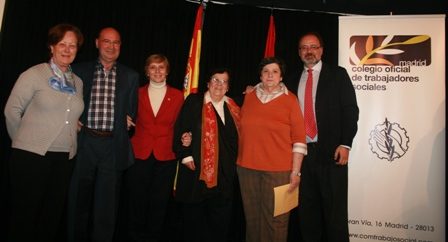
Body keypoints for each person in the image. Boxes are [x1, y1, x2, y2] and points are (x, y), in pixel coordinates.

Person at [4, 23, 84, 242]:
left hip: (64, 159)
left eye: (73, 45)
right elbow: (11, 111)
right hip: (31, 157)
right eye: (62, 44)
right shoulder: (34, 74)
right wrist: (23, 142)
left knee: (51, 218)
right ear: (52, 46)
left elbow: (70, 113)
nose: (67, 49)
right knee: (25, 218)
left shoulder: (78, 82)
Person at [284, 31, 359, 242]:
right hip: (302, 157)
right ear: (299, 53)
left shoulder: (338, 74)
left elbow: (350, 110)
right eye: (304, 48)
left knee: (334, 216)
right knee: (307, 215)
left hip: (332, 154)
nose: (309, 51)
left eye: (313, 47)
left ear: (322, 50)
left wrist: (346, 144)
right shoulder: (290, 81)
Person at [68, 27, 139, 242]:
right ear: (97, 43)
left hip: (112, 145)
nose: (111, 46)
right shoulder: (78, 71)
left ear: (120, 47)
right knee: (77, 200)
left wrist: (127, 121)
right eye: (106, 41)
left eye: (116, 42)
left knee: (107, 207)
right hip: (85, 142)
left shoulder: (131, 76)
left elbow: (132, 111)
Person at [237, 57, 307, 242]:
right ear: (260, 75)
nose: (270, 75)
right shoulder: (248, 96)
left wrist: (296, 173)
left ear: (281, 76)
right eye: (266, 71)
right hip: (246, 169)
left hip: (279, 172)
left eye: (275, 71)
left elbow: (299, 139)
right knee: (252, 221)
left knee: (277, 222)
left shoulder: (290, 100)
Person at [120, 54, 184, 241]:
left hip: (166, 155)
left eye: (161, 67)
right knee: (136, 199)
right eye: (153, 67)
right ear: (146, 71)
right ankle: (134, 235)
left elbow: (182, 124)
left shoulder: (178, 95)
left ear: (167, 71)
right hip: (139, 152)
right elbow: (124, 113)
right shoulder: (136, 92)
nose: (157, 71)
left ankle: (154, 236)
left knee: (160, 201)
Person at [173, 68, 240, 242]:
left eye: (224, 81)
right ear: (208, 83)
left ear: (228, 87)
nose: (219, 84)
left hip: (225, 175)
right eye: (215, 80)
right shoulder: (195, 101)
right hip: (197, 171)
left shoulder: (233, 107)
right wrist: (185, 155)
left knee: (220, 221)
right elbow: (181, 129)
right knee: (194, 221)